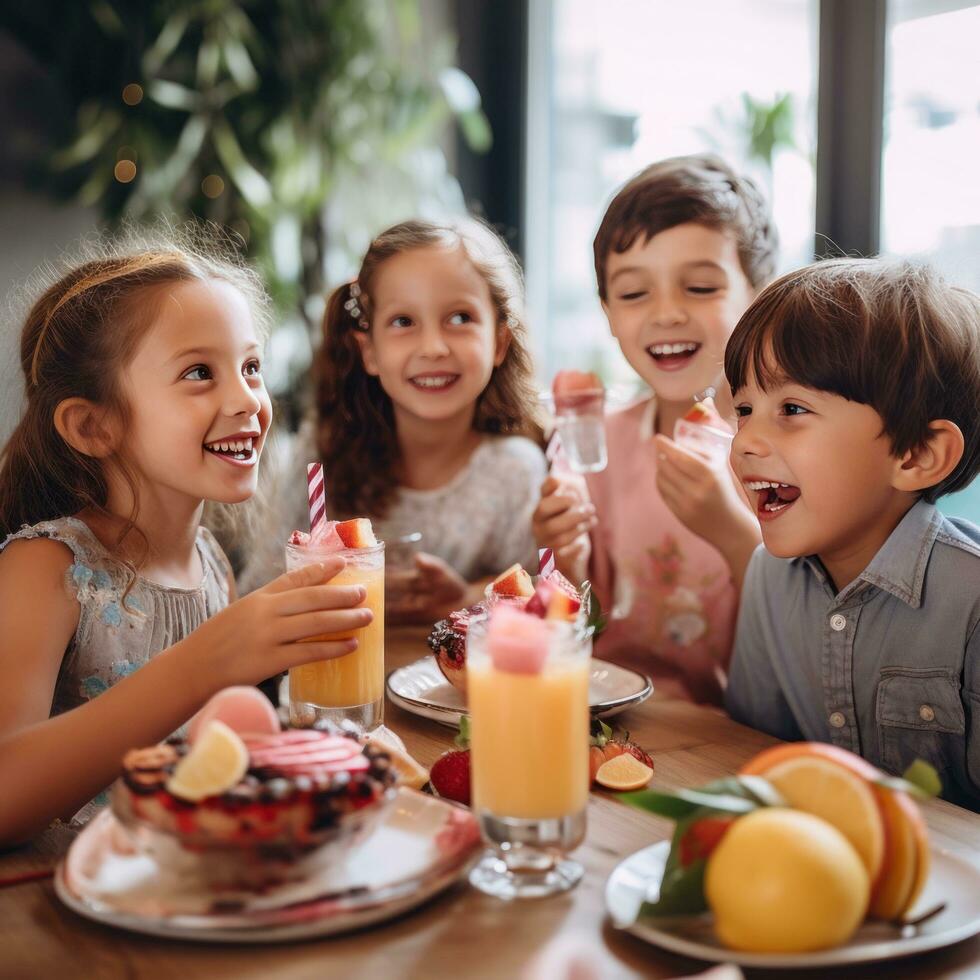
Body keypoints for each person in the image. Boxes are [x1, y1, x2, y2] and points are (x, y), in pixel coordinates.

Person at [0, 230, 371, 844]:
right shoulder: (46, 569)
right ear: (94, 425)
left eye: (251, 367)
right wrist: (207, 661)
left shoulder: (211, 563)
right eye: (200, 372)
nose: (248, 399)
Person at [725, 258, 980, 811]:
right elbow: (753, 760)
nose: (744, 441)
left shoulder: (973, 601)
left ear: (916, 456)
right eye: (744, 409)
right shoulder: (769, 577)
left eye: (791, 408)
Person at [534, 155, 777, 702]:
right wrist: (566, 562)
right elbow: (582, 632)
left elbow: (807, 639)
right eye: (634, 294)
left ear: (759, 296)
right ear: (608, 312)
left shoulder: (787, 456)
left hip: (736, 740)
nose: (666, 313)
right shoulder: (593, 448)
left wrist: (734, 532)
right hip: (610, 722)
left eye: (699, 287)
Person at [244, 218, 546, 623]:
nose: (433, 347)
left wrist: (467, 597)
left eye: (459, 318)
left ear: (499, 342)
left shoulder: (516, 471)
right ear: (369, 351)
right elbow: (257, 592)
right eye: (403, 322)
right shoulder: (322, 453)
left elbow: (537, 602)